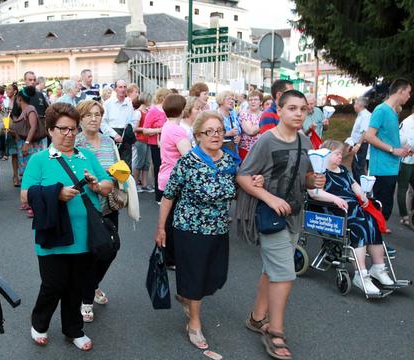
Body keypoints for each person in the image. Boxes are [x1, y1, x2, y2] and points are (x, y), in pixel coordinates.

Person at [236, 90, 325, 360]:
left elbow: (303, 178)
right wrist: (269, 197)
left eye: (303, 109)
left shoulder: (304, 140)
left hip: (294, 214)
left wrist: (313, 182)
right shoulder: (266, 141)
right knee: (285, 273)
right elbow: (243, 176)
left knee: (272, 270)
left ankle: (256, 318)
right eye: (292, 108)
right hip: (270, 215)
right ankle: (275, 332)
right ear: (280, 110)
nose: (299, 114)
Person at [21, 103, 112, 352]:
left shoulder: (87, 156)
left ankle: (74, 329)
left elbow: (108, 183)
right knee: (53, 285)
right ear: (50, 130)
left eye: (73, 129)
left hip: (85, 236)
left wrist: (97, 184)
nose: (69, 134)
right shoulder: (39, 160)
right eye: (63, 129)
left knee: (77, 286)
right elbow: (25, 195)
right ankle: (39, 323)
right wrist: (56, 193)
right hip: (53, 234)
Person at [155, 111, 241, 350]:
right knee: (196, 276)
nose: (215, 136)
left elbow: (241, 184)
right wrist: (161, 227)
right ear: (198, 136)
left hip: (219, 228)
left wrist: (256, 182)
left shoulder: (230, 160)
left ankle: (186, 295)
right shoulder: (188, 161)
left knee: (215, 276)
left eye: (219, 131)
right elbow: (169, 195)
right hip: (189, 228)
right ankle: (194, 323)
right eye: (209, 131)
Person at [307, 140, 394, 295]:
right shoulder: (319, 172)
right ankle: (361, 274)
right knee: (358, 228)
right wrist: (334, 198)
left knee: (372, 223)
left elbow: (353, 184)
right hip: (334, 210)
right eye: (337, 154)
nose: (341, 156)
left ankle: (378, 268)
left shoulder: (343, 170)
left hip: (353, 209)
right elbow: (314, 193)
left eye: (341, 153)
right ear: (325, 154)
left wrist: (362, 193)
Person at [74, 100, 119, 323]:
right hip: (87, 209)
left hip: (109, 205)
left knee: (111, 248)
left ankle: (92, 285)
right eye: (88, 115)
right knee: (91, 255)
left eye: (97, 114)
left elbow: (117, 169)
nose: (94, 118)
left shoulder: (109, 142)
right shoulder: (76, 143)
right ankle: (85, 299)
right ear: (80, 119)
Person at [364, 78, 413, 223]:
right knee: (380, 211)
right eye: (408, 92)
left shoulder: (392, 112)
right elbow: (369, 136)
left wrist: (402, 149)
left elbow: (388, 139)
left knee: (385, 211)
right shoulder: (381, 110)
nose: (409, 96)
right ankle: (371, 244)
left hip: (390, 168)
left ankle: (376, 243)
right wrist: (393, 150)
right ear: (400, 91)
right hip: (381, 169)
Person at [157, 94, 192, 268]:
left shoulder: (166, 126)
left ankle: (169, 256)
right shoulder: (178, 130)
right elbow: (188, 156)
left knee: (169, 219)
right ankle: (171, 258)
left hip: (165, 175)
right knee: (173, 221)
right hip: (175, 178)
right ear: (182, 109)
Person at [15, 85, 48, 215]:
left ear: (19, 98)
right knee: (27, 174)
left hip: (31, 146)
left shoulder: (30, 109)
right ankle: (28, 201)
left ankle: (35, 205)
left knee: (34, 174)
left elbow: (33, 126)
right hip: (24, 145)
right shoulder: (25, 110)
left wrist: (27, 143)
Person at [143, 88, 172, 203]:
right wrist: (159, 130)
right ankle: (159, 195)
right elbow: (145, 130)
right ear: (163, 98)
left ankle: (168, 193)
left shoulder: (169, 110)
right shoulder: (153, 111)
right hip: (156, 144)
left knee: (168, 168)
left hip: (168, 143)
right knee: (158, 168)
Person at [100, 79, 137, 167]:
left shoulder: (129, 104)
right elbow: (103, 123)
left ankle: (127, 181)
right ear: (115, 89)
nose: (122, 89)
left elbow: (132, 121)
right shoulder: (108, 104)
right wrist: (114, 135)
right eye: (120, 87)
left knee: (126, 166)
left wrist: (129, 131)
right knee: (112, 164)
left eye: (124, 87)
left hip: (125, 136)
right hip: (112, 136)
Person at [133, 93, 154, 192]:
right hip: (140, 140)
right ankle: (136, 184)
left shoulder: (147, 111)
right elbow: (135, 128)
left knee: (147, 163)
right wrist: (146, 129)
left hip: (147, 139)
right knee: (140, 162)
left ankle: (144, 184)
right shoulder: (138, 112)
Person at [348, 96, 372, 183]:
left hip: (362, 145)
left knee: (358, 168)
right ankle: (358, 187)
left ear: (360, 105)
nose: (354, 106)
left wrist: (358, 145)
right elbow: (356, 132)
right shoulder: (361, 115)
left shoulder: (365, 116)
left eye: (355, 103)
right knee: (355, 167)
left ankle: (362, 188)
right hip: (358, 144)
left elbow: (364, 132)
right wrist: (351, 144)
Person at [397, 112, 414, 227]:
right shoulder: (408, 122)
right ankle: (404, 216)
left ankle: (410, 213)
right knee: (402, 188)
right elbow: (402, 141)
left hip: (411, 160)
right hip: (405, 161)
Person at [238, 90, 264, 159]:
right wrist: (265, 122)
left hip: (262, 150)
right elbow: (250, 131)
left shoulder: (264, 114)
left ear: (261, 102)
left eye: (255, 99)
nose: (253, 101)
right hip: (246, 150)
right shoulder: (244, 114)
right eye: (250, 100)